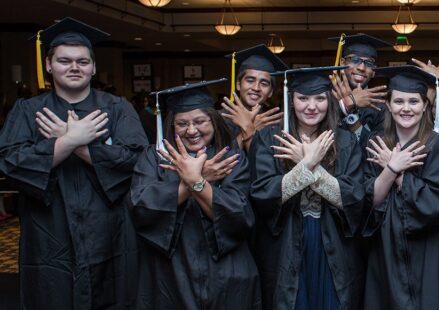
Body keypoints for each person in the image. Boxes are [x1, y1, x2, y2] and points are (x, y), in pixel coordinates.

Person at [0, 17, 147, 308]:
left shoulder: (117, 108)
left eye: (82, 61)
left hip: (109, 227)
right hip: (49, 229)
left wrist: (78, 145)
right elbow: (10, 164)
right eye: (64, 61)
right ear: (48, 65)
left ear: (93, 67)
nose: (74, 67)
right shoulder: (28, 111)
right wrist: (68, 141)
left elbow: (136, 160)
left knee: (113, 296)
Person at [129, 78, 260, 309]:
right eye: (182, 124)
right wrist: (194, 181)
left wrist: (196, 182)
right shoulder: (154, 157)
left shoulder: (231, 157)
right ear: (171, 125)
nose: (191, 130)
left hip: (227, 272)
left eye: (200, 121)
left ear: (214, 121)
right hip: (169, 273)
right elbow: (141, 207)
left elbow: (239, 215)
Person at [249, 66, 366, 310]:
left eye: (320, 98)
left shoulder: (345, 140)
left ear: (329, 100)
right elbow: (263, 194)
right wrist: (308, 162)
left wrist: (308, 165)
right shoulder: (269, 139)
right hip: (286, 242)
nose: (311, 106)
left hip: (332, 240)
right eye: (303, 98)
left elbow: (351, 198)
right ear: (291, 100)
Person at [362, 65, 439, 309]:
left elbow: (438, 203)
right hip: (385, 248)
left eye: (414, 101)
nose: (406, 108)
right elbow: (369, 201)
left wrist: (398, 174)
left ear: (425, 105)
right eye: (399, 101)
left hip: (430, 249)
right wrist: (391, 168)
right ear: (388, 104)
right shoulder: (375, 143)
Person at [222, 44, 289, 152]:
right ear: (238, 84)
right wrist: (251, 128)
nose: (256, 88)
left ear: (271, 92)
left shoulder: (275, 124)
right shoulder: (220, 120)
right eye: (250, 80)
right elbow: (221, 159)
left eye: (264, 83)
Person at [328, 33, 392, 145]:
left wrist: (350, 107)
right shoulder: (325, 97)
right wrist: (345, 105)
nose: (361, 68)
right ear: (342, 63)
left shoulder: (380, 107)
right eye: (354, 60)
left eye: (369, 63)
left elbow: (375, 148)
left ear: (374, 71)